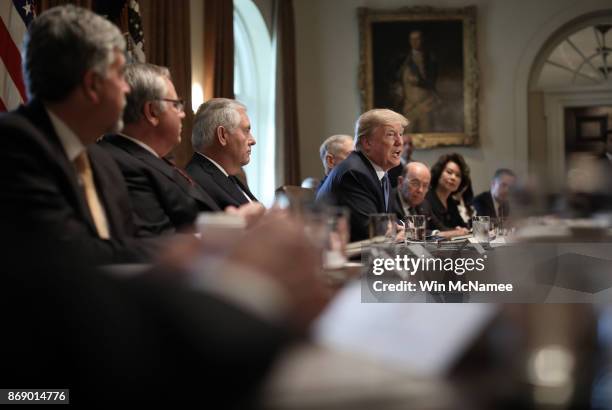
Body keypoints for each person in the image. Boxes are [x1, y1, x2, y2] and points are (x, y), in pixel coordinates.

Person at [0, 5, 158, 264]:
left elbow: (132, 241)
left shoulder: (102, 161)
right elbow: (70, 253)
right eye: (120, 75)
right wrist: (189, 249)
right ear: (93, 85)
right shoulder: (12, 145)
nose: (127, 89)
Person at [98, 63, 223, 236]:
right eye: (176, 105)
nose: (183, 114)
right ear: (152, 112)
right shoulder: (122, 165)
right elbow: (159, 243)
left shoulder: (146, 157)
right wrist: (229, 228)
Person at [316, 108, 408, 241]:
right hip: (343, 258)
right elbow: (372, 232)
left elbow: (389, 221)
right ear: (367, 143)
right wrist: (396, 229)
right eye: (391, 134)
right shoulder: (354, 173)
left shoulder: (381, 174)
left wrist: (398, 227)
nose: (399, 142)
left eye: (400, 134)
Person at [187, 98, 259, 209]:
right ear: (222, 135)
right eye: (246, 131)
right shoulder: (197, 182)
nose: (253, 141)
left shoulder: (234, 175)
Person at [393, 30, 439, 133]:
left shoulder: (430, 58)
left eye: (417, 39)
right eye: (412, 39)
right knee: (407, 136)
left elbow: (431, 82)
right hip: (409, 106)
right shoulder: (404, 59)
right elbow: (397, 80)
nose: (415, 42)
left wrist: (418, 81)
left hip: (425, 105)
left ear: (422, 40)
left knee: (426, 132)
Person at [426, 153, 470, 237]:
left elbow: (463, 227)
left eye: (458, 175)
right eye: (449, 172)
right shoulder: (427, 198)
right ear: (439, 173)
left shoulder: (451, 202)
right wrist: (454, 232)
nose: (453, 178)